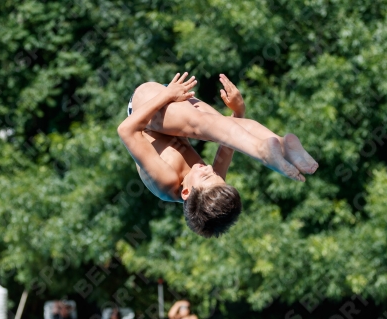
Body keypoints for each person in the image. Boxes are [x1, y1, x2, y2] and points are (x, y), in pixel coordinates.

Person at [118, 73, 318, 237]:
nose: (209, 169)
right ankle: (283, 146)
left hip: (144, 107)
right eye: (214, 175)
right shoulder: (211, 186)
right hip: (177, 112)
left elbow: (127, 130)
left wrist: (167, 94)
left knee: (198, 125)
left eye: (206, 175)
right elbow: (227, 142)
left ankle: (264, 153)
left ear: (186, 193)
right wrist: (239, 111)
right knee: (215, 125)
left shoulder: (166, 180)